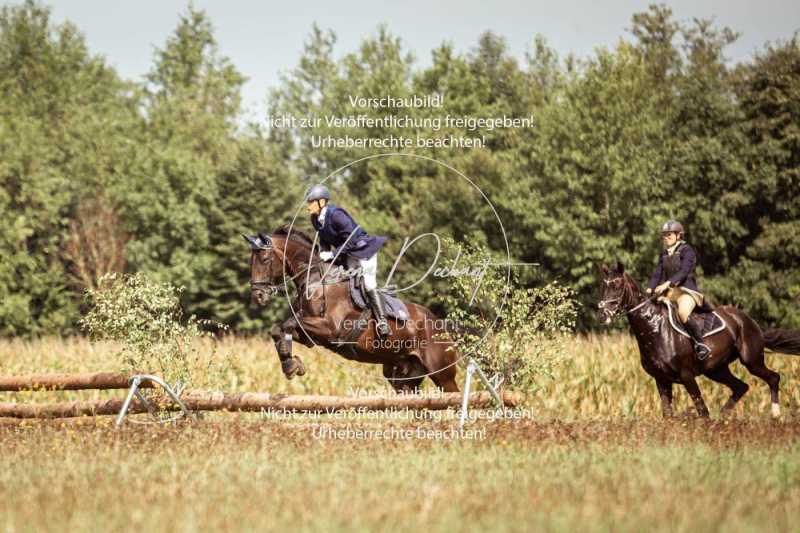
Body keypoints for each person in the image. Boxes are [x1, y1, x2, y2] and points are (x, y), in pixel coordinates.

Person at [306, 184, 391, 337]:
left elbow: (351, 239)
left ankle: (383, 321)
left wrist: (332, 255)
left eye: (311, 201)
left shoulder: (336, 214)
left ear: (322, 202)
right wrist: (323, 252)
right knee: (343, 281)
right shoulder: (315, 219)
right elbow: (323, 238)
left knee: (368, 284)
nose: (308, 206)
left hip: (364, 251)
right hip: (347, 254)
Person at [647, 220, 711, 359]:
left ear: (678, 235)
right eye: (664, 235)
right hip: (670, 293)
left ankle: (701, 345)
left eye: (669, 235)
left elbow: (684, 271)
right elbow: (657, 273)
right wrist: (649, 289)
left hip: (686, 291)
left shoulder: (687, 250)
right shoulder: (664, 253)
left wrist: (666, 284)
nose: (666, 238)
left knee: (682, 312)